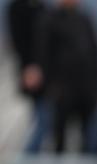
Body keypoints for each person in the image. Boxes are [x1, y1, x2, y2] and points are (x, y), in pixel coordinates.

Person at [34, 0, 97, 154]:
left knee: (89, 139)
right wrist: (52, 86)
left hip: (86, 90)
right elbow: (43, 55)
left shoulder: (85, 19)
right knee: (59, 139)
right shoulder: (49, 19)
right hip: (62, 91)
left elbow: (95, 54)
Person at [6, 0, 49, 153]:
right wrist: (29, 67)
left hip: (48, 76)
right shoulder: (17, 7)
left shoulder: (42, 7)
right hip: (31, 75)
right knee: (39, 121)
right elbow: (19, 40)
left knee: (42, 121)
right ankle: (24, 160)